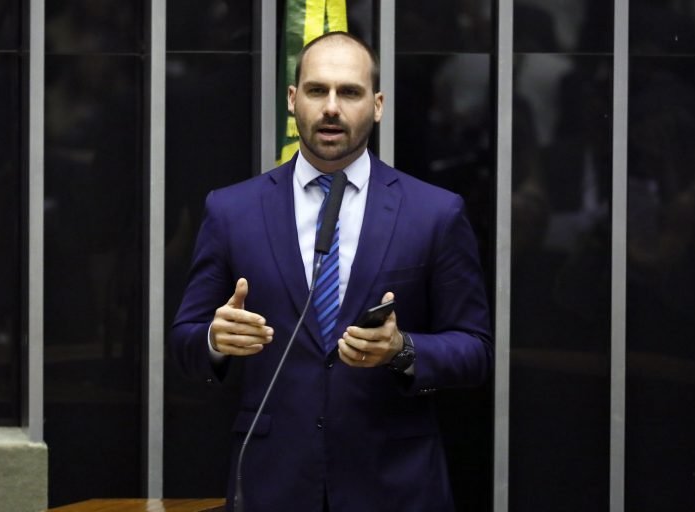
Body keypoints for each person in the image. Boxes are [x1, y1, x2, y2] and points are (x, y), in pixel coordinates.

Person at [170, 31, 493, 512]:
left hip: (394, 484)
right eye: (317, 90)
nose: (332, 108)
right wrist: (215, 340)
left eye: (350, 92)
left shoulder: (435, 213)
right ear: (292, 100)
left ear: (377, 106)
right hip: (273, 484)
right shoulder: (232, 210)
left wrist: (401, 349)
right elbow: (185, 342)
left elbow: (475, 350)